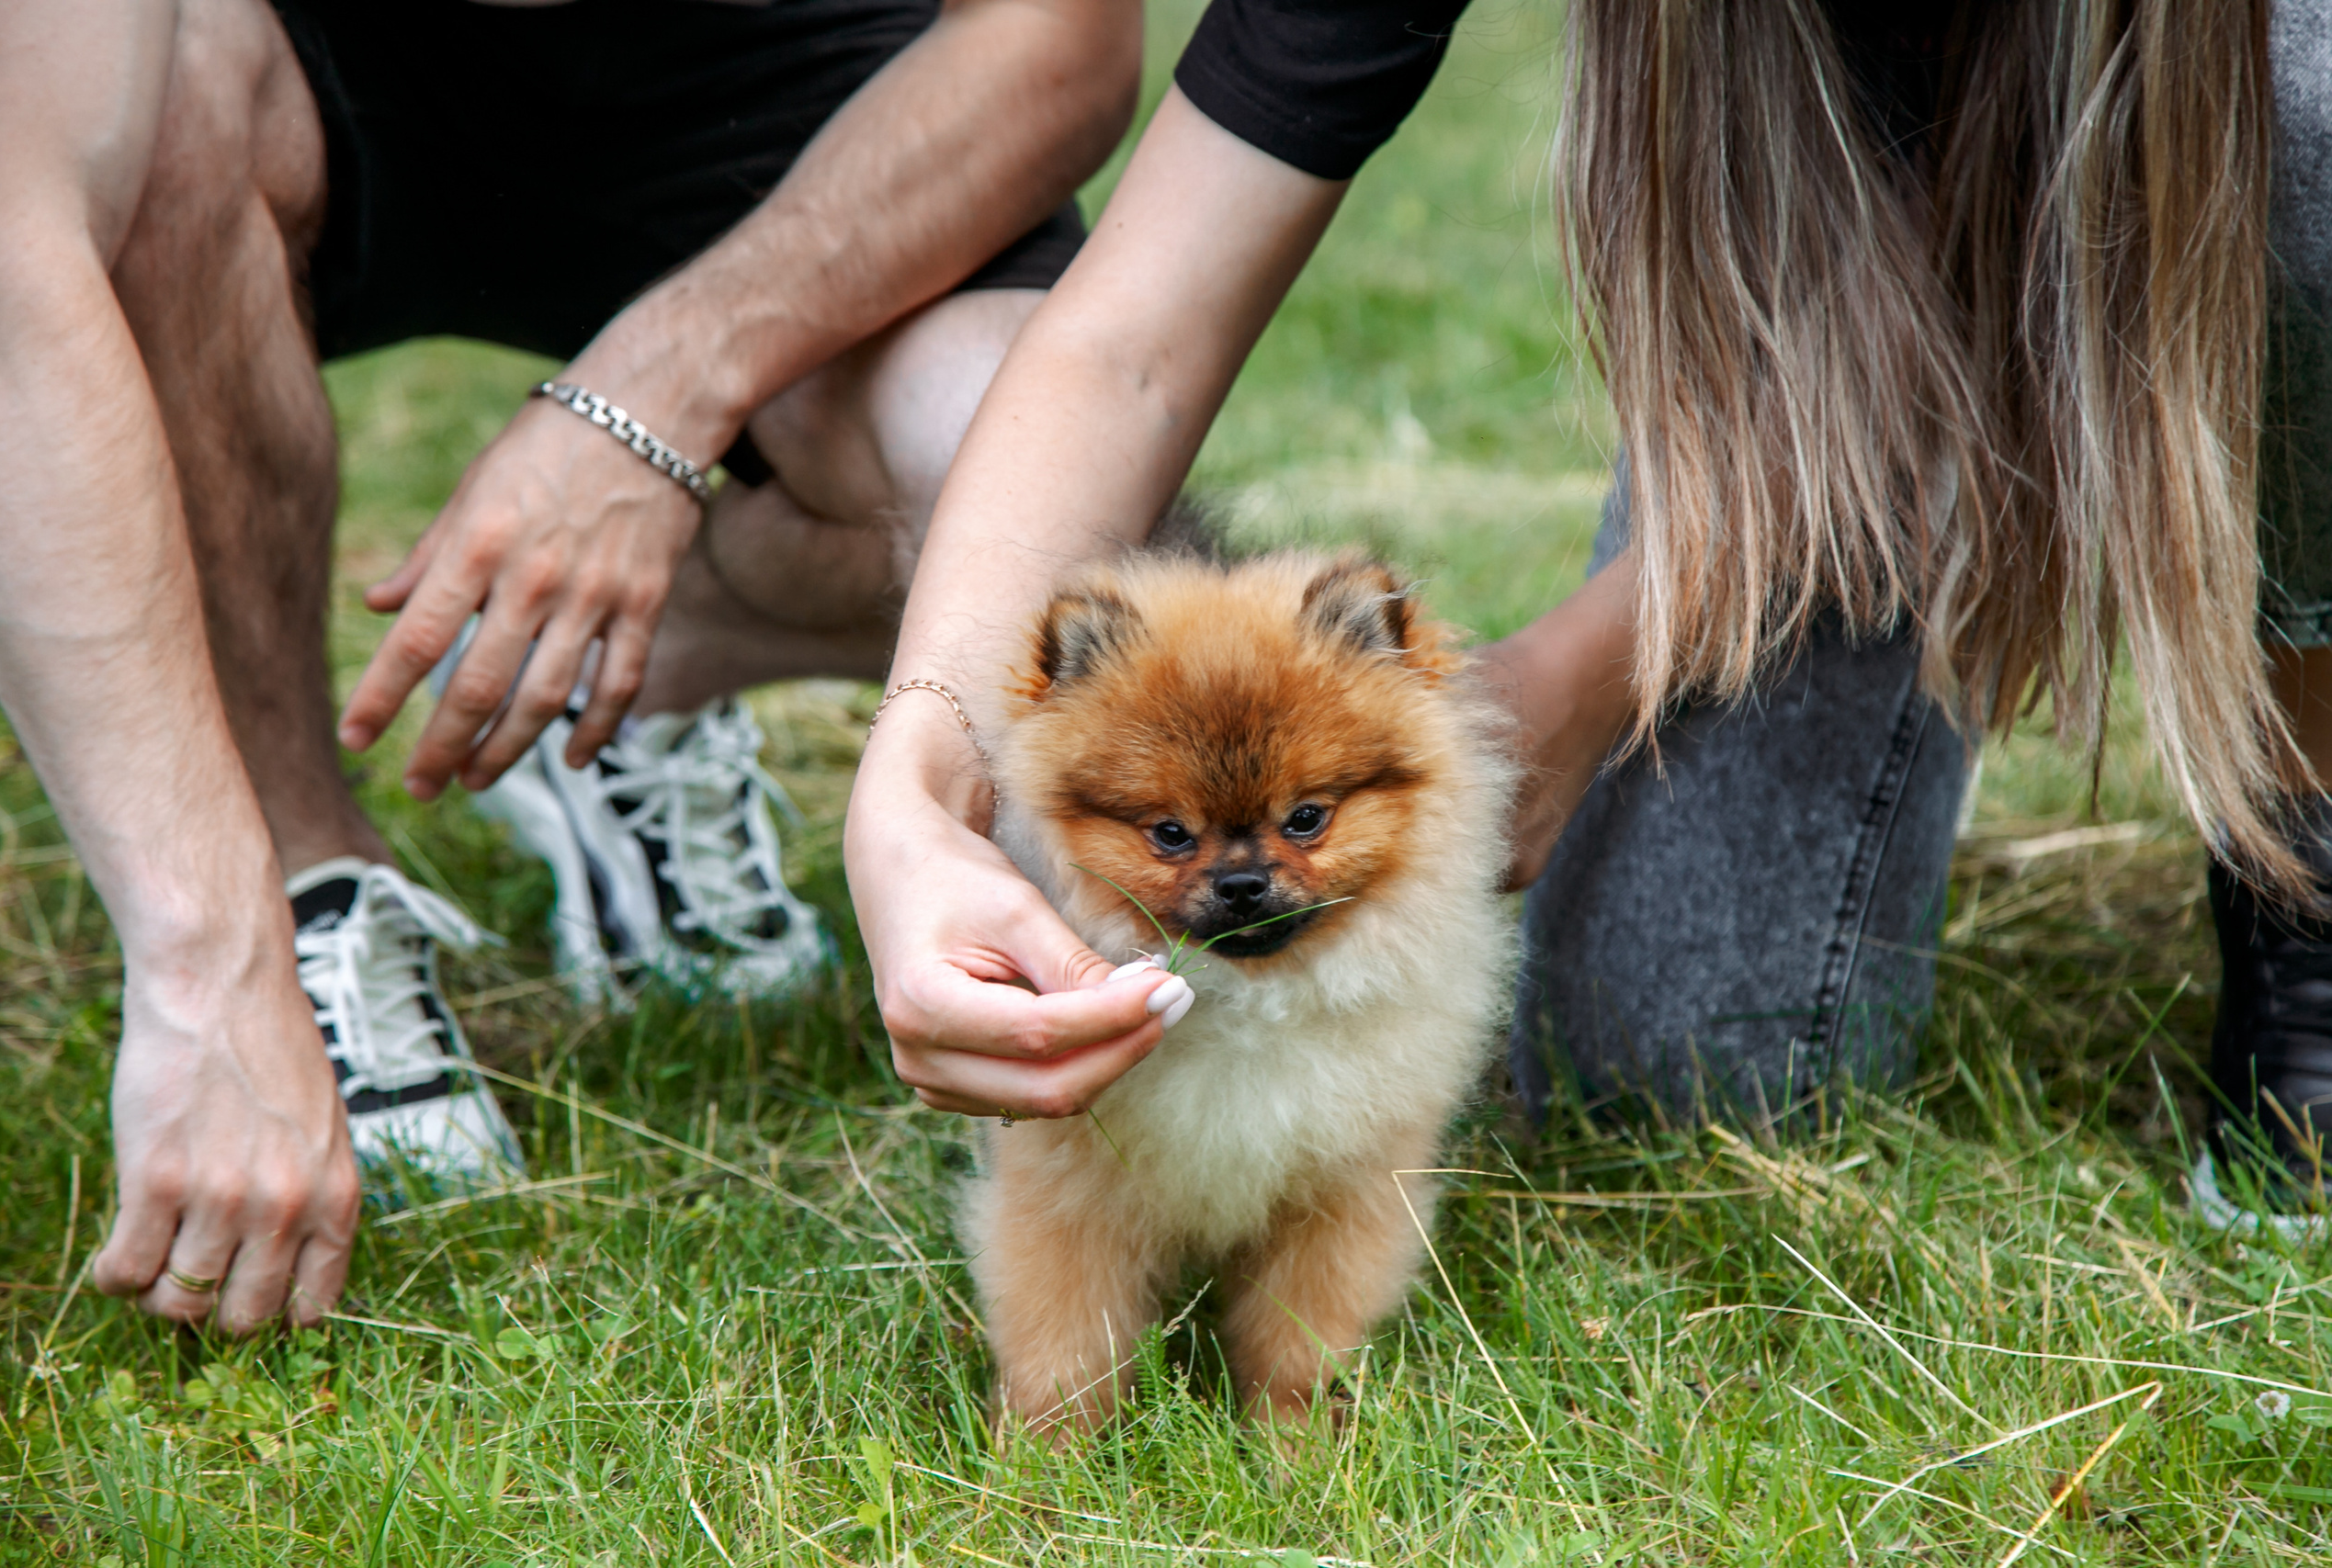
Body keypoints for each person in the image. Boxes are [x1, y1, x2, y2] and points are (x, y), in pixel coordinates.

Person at [829, 0, 2332, 1231]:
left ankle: (2305, 866)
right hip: (1809, 375)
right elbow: (1127, 347)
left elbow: (2027, 289)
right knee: (1668, 1071)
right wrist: (910, 792)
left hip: (2207, 148)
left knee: (2302, 124)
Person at [0, 0, 1138, 1333]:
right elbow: (9, 257)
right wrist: (203, 958)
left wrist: (645, 405)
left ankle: (625, 676)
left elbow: (1065, 46)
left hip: (790, 56)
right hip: (294, 57)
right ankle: (305, 900)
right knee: (159, 111)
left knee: (1043, 480)